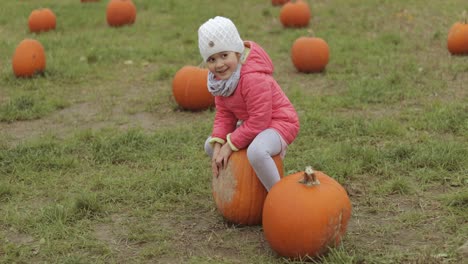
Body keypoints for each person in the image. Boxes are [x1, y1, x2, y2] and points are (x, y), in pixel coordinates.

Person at [198, 16, 300, 191]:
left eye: (224, 55)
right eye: (212, 59)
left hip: (278, 122)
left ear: (237, 52)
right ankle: (242, 186)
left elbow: (260, 119)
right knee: (210, 145)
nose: (219, 64)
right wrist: (218, 147)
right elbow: (224, 115)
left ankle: (279, 194)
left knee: (257, 152)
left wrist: (230, 145)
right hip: (251, 123)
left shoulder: (252, 78)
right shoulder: (221, 82)